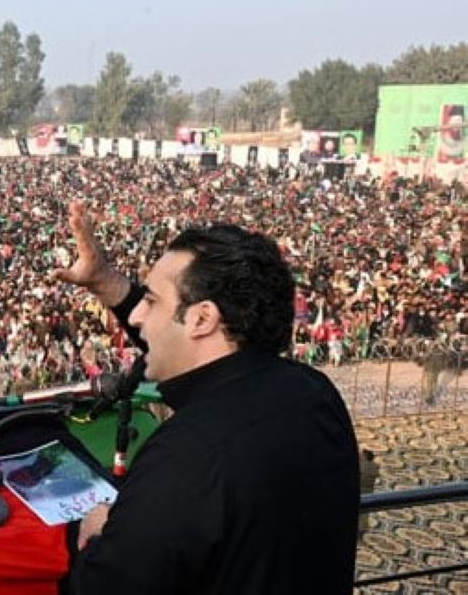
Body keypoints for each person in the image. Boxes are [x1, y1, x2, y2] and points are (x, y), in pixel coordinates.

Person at [51, 201, 359, 594]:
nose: (137, 318)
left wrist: (98, 536)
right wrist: (106, 281)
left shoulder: (190, 451)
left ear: (203, 318)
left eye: (152, 301)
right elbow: (175, 343)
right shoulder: (313, 392)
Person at [359, 448, 380, 537]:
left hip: (360, 489)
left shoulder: (362, 465)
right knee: (364, 511)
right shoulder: (375, 466)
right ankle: (362, 528)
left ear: (365, 456)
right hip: (369, 490)